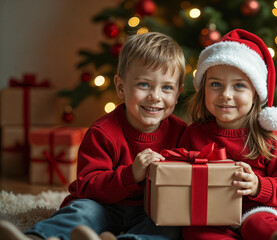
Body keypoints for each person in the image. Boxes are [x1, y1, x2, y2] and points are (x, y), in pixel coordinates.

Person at [0, 31, 187, 240]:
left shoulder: (181, 132)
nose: (155, 96)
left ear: (178, 94)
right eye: (144, 84)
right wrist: (131, 174)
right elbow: (88, 186)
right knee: (84, 211)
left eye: (167, 88)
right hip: (104, 205)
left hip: (150, 212)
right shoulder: (103, 132)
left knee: (171, 225)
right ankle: (38, 237)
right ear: (120, 87)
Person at [179, 29, 277, 240]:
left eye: (239, 85)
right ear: (203, 89)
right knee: (196, 232)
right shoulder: (193, 134)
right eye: (215, 84)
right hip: (212, 214)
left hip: (257, 210)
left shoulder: (269, 138)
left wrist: (259, 186)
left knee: (259, 225)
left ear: (256, 93)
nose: (226, 95)